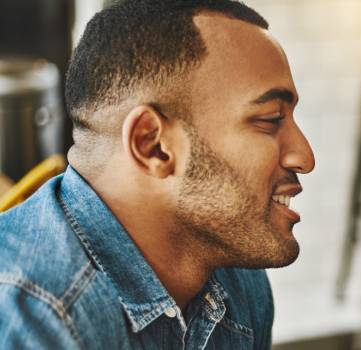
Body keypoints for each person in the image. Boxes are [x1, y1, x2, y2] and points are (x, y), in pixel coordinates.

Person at [0, 0, 314, 348]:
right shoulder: (31, 317)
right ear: (153, 145)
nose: (305, 157)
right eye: (270, 119)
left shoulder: (238, 278)